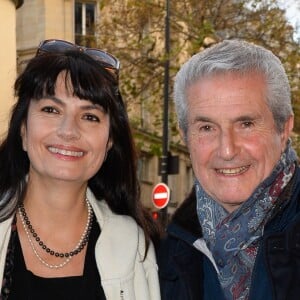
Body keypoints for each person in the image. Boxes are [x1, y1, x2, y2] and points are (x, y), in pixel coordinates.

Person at [0, 39, 161, 300]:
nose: (69, 131)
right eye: (51, 109)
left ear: (109, 140)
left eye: (90, 116)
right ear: (23, 130)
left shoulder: (136, 249)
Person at [158, 39, 300, 300]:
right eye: (207, 128)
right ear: (185, 136)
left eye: (246, 124)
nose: (227, 150)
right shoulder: (159, 255)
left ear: (283, 129)